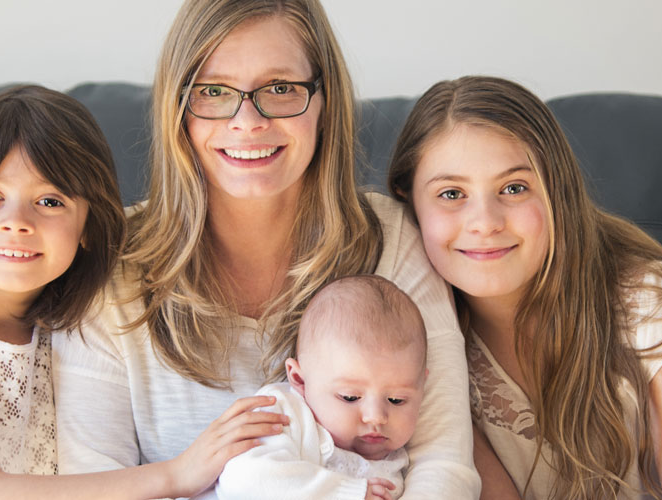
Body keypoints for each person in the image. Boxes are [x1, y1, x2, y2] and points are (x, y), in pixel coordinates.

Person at [52, 1, 480, 498]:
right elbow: (89, 482)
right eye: (213, 91)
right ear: (178, 107)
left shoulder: (394, 240)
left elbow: (443, 467)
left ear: (325, 100)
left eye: (280, 88)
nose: (247, 121)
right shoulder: (110, 265)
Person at [0, 85, 282, 500]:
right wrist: (177, 473)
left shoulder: (72, 343)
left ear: (88, 228)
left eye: (50, 201)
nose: (16, 221)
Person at [388, 75, 662, 499]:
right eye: (452, 193)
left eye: (514, 188)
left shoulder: (648, 302)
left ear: (557, 191)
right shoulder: (419, 340)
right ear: (408, 203)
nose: (485, 221)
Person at [204, 275, 429, 500]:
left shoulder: (401, 462)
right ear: (300, 381)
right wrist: (346, 493)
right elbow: (244, 479)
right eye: (350, 397)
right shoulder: (284, 415)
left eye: (397, 400)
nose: (376, 417)